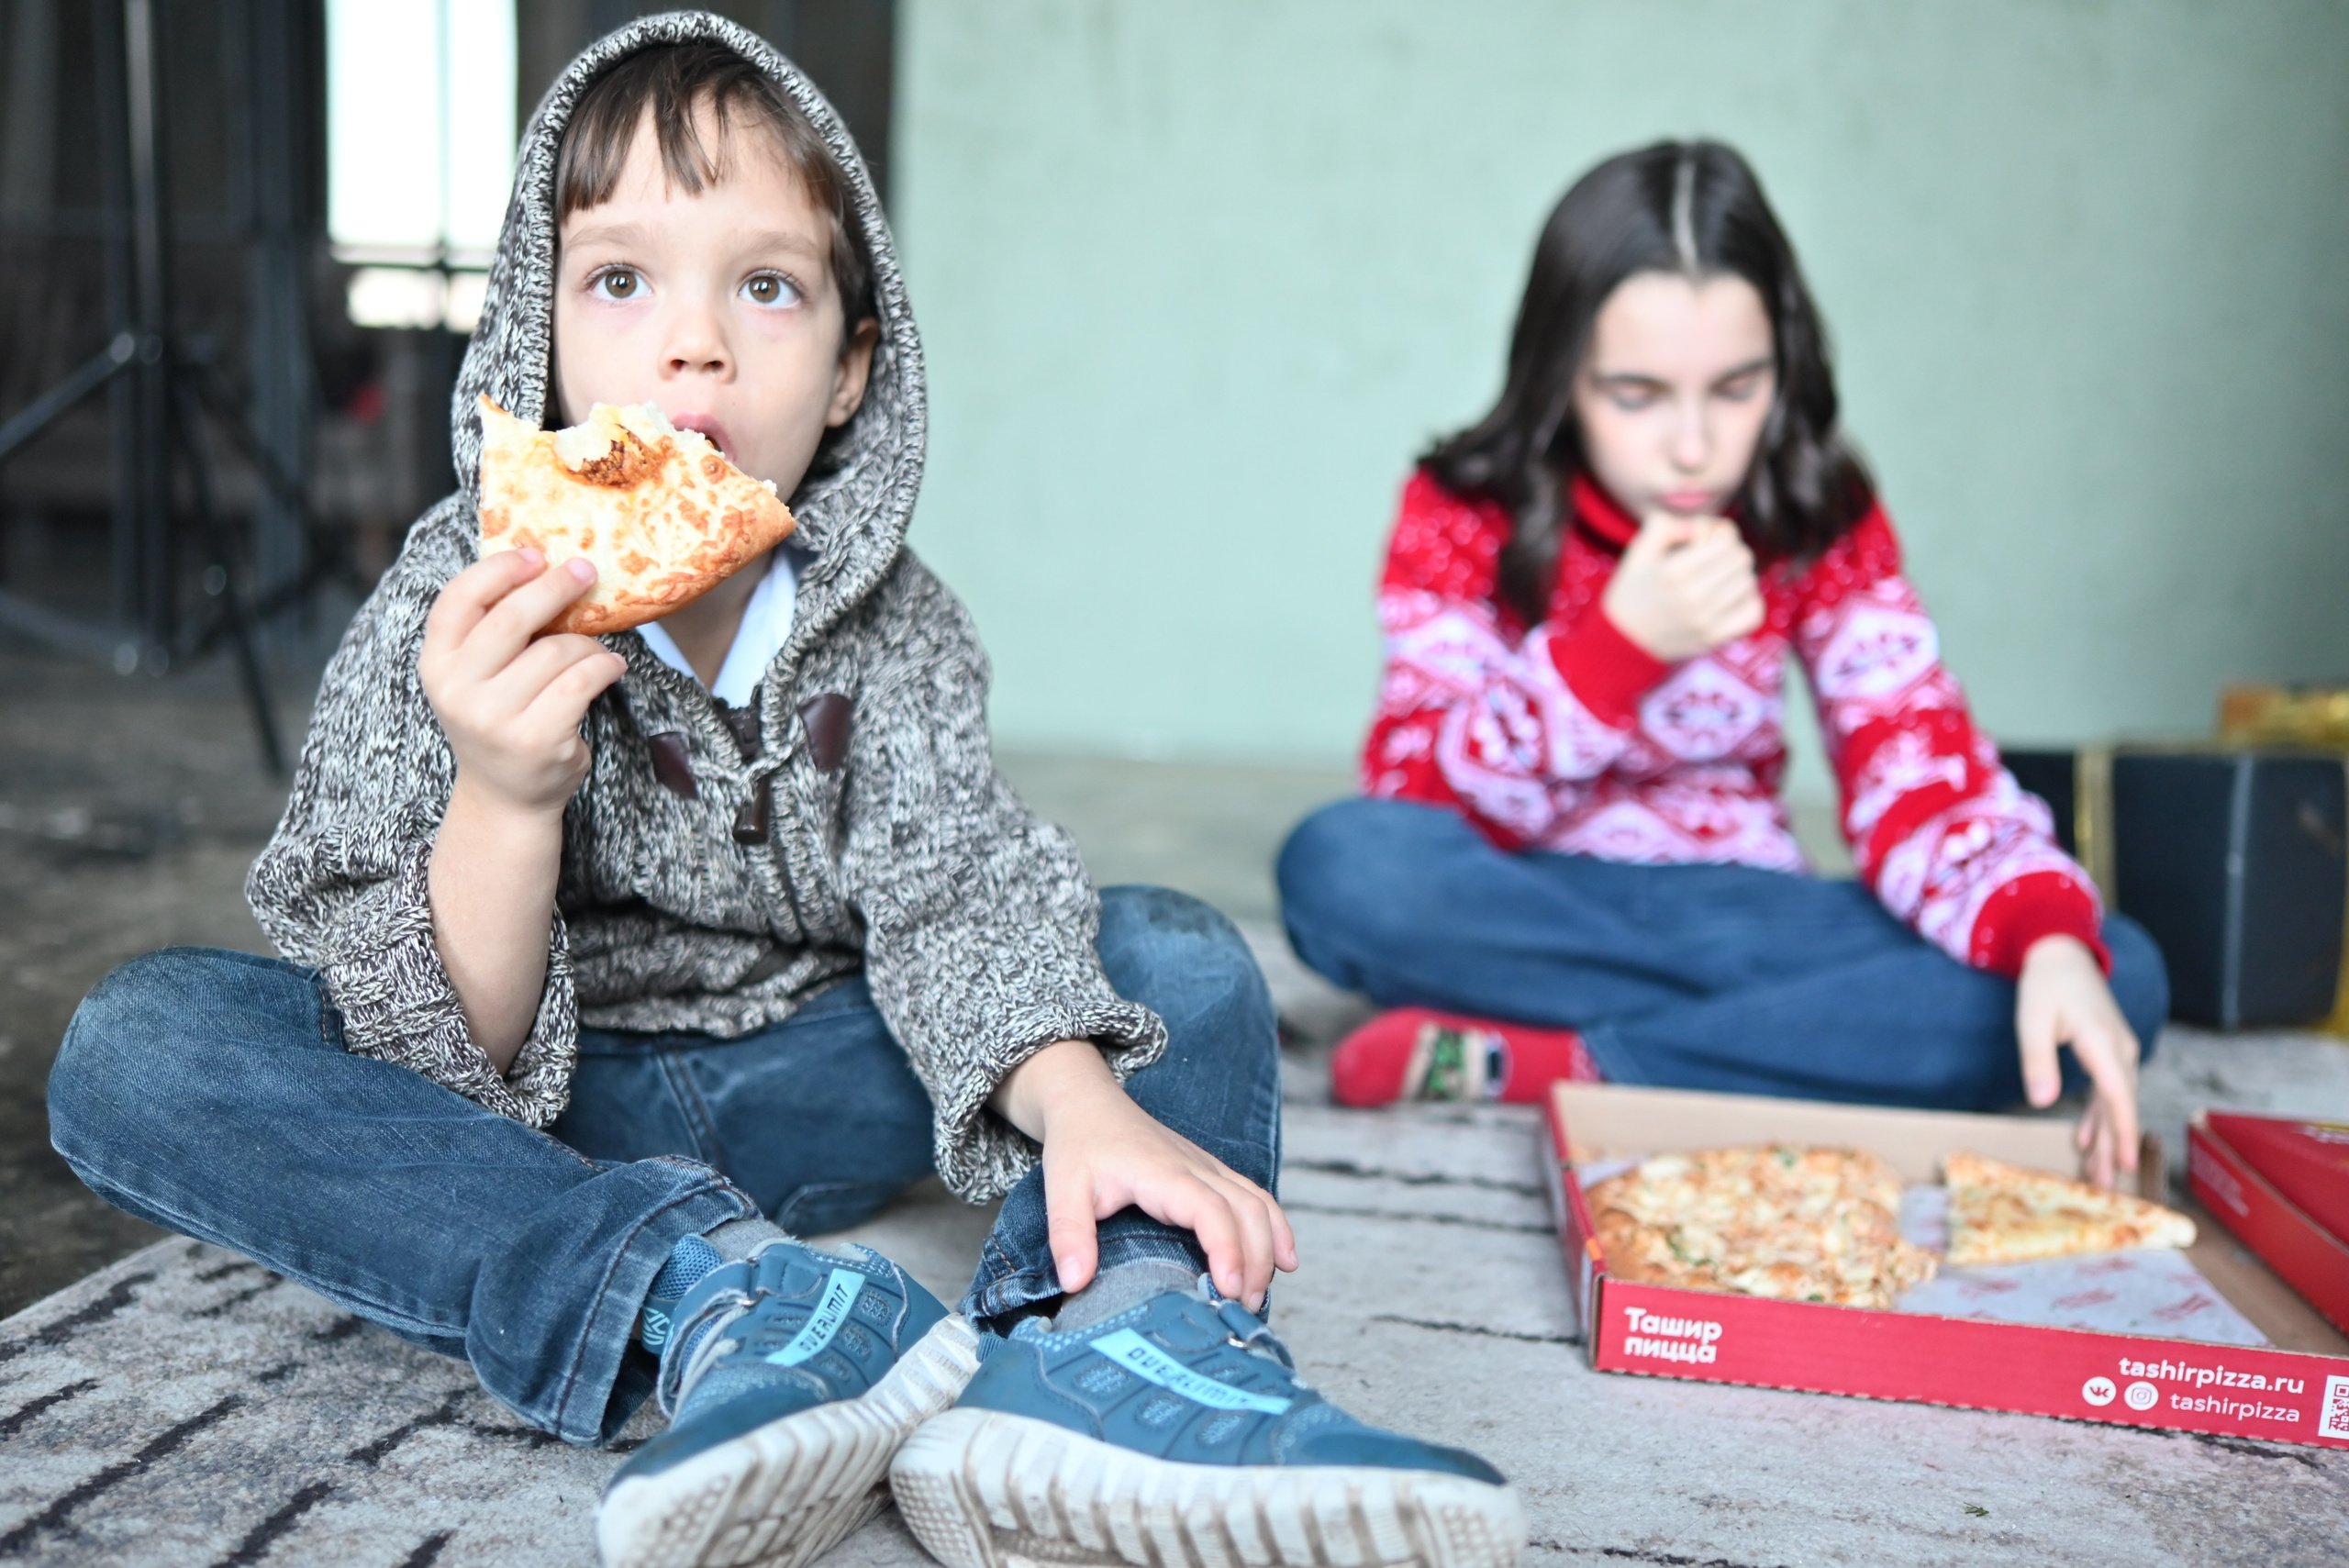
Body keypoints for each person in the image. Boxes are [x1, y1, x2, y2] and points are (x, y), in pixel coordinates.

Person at [45, 17, 1520, 1568]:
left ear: (848, 371)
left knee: (1173, 951)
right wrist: (504, 794)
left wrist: (1085, 1106)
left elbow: (960, 894)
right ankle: (722, 1294)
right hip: (567, 1111)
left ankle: (1124, 1331)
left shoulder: (895, 626)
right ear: (537, 334)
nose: (696, 344)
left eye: (766, 286)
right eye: (622, 280)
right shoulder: (448, 606)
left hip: (840, 1056)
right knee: (143, 1041)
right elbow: (440, 1071)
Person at [1276, 140, 2166, 1190]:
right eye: (1637, 394)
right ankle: (1779, 1043)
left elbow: (1916, 763)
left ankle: (1565, 1059)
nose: (1693, 446)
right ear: (1562, 372)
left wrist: (2045, 938)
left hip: (1748, 914)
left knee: (2113, 966)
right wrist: (1614, 653)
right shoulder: (1461, 509)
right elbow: (1415, 801)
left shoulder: (1816, 512)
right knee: (1341, 866)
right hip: (1538, 904)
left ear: (1784, 367)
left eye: (1736, 388)